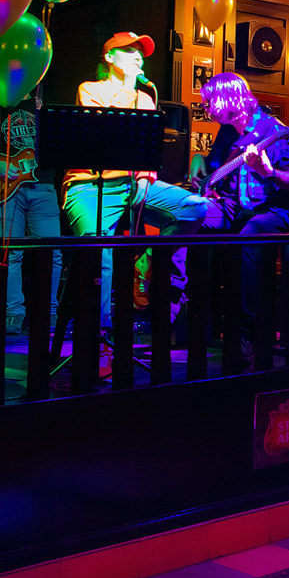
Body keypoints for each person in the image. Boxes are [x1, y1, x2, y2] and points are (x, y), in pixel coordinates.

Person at [61, 33, 209, 352]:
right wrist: (129, 89)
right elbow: (106, 134)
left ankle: (146, 262)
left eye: (141, 52)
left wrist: (144, 176)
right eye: (129, 51)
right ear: (109, 58)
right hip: (90, 186)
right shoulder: (91, 90)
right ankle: (100, 339)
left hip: (132, 184)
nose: (138, 57)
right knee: (98, 253)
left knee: (194, 207)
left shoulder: (145, 97)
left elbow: (145, 147)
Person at [193, 73, 289, 363]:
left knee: (249, 237)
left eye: (210, 101)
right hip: (236, 206)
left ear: (230, 99)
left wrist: (269, 172)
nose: (206, 108)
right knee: (192, 216)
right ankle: (183, 309)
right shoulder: (227, 133)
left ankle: (246, 334)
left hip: (274, 209)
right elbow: (214, 171)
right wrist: (201, 174)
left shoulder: (274, 131)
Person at [0, 98, 63, 335]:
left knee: (52, 252)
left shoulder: (44, 109)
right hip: (4, 188)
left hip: (42, 185)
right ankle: (13, 313)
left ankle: (48, 311)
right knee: (9, 252)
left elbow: (60, 147)